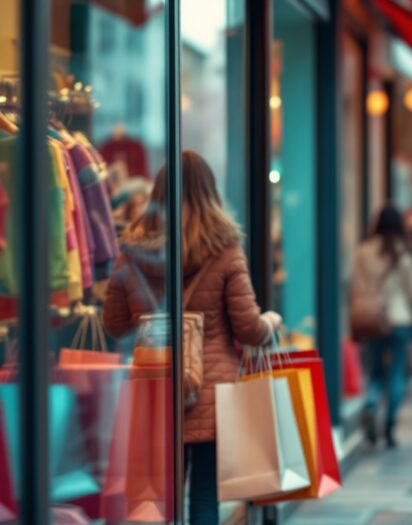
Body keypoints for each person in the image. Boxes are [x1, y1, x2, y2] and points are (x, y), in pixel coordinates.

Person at [103, 150, 282, 524]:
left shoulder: (132, 251)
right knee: (203, 496)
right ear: (209, 191)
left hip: (154, 390)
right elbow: (249, 327)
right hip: (211, 395)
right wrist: (272, 322)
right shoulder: (226, 249)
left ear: (158, 194)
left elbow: (114, 324)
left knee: (156, 501)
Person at [350, 206, 412, 448]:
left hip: (373, 319)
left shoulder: (363, 251)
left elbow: (354, 286)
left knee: (374, 373)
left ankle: (372, 403)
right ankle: (389, 427)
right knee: (396, 373)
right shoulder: (403, 252)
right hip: (399, 320)